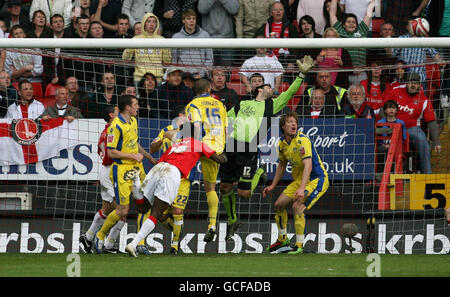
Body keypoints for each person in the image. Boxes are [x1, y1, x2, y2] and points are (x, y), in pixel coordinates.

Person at [219, 56, 315, 241]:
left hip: (247, 150)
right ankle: (232, 220)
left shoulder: (271, 105)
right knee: (224, 187)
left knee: (244, 194)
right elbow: (227, 119)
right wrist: (224, 138)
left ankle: (259, 172)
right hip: (230, 146)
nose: (273, 89)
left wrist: (302, 74)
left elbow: (290, 94)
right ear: (260, 89)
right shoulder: (243, 103)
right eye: (269, 86)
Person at [125, 121, 228, 257]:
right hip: (172, 172)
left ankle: (136, 182)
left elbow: (161, 160)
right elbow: (220, 159)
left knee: (143, 208)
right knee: (155, 214)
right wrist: (225, 151)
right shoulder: (198, 144)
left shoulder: (176, 145)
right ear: (194, 133)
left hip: (158, 168)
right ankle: (133, 244)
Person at [94, 94, 154, 253]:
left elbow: (134, 144)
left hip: (136, 169)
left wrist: (149, 158)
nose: (138, 107)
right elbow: (112, 153)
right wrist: (132, 156)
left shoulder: (133, 121)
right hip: (121, 171)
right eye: (135, 104)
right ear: (127, 107)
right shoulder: (116, 126)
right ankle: (100, 236)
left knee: (145, 204)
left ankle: (139, 243)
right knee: (122, 211)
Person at [263, 111, 329, 254]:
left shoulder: (302, 140)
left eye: (295, 122)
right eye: (290, 122)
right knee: (278, 205)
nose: (294, 124)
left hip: (316, 180)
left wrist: (302, 188)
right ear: (283, 126)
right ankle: (282, 240)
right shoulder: (281, 144)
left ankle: (299, 245)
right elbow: (281, 165)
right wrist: (272, 185)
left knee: (297, 205)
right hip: (300, 181)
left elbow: (308, 166)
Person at [79, 105, 129, 254]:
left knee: (107, 209)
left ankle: (88, 237)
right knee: (122, 210)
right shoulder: (110, 132)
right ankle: (108, 244)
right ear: (111, 115)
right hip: (111, 173)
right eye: (117, 112)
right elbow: (108, 157)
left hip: (109, 172)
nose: (120, 113)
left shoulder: (109, 130)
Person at [185, 78, 228, 242]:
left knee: (181, 177)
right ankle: (212, 225)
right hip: (216, 147)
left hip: (199, 145)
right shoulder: (220, 104)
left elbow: (195, 126)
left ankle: (171, 218)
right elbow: (225, 128)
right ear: (209, 89)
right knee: (210, 187)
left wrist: (197, 147)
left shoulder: (192, 105)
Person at [149, 105, 189, 254]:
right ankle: (177, 231)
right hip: (165, 176)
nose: (190, 116)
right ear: (180, 115)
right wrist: (162, 140)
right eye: (187, 114)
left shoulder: (190, 131)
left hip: (183, 178)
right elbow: (152, 149)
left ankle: (175, 246)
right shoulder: (165, 130)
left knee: (178, 210)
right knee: (161, 215)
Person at [385, 72, 441, 174]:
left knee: (422, 140)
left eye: (415, 83)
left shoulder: (424, 100)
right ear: (406, 83)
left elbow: (431, 121)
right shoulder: (396, 91)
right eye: (410, 82)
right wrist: (387, 123)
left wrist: (436, 142)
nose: (413, 85)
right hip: (393, 126)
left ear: (420, 85)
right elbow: (383, 109)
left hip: (411, 128)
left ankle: (427, 174)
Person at [329, 0, 376, 85]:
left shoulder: (362, 30)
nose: (351, 24)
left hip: (361, 75)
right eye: (348, 22)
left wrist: (373, 2)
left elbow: (368, 14)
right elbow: (332, 14)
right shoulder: (339, 31)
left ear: (357, 25)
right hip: (344, 74)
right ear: (343, 24)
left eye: (354, 22)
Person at [392, 17, 444, 92]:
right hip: (404, 79)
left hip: (420, 80)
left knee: (420, 102)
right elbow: (392, 54)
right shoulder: (402, 38)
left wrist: (441, 62)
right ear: (407, 27)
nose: (413, 26)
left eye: (414, 24)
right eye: (411, 25)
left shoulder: (425, 40)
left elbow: (434, 54)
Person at [122, 13, 171, 84]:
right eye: (149, 21)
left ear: (157, 24)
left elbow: (167, 62)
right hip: (140, 78)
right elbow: (125, 58)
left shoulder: (162, 40)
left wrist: (166, 48)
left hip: (157, 79)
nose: (151, 24)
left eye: (154, 22)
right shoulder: (135, 39)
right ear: (144, 23)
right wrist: (130, 47)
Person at [171, 8, 213, 79]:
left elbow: (209, 59)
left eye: (194, 19)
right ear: (183, 20)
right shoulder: (176, 37)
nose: (191, 21)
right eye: (188, 18)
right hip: (183, 76)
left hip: (201, 76)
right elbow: (174, 60)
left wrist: (201, 74)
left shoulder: (205, 35)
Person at [198, 0, 239, 66]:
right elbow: (202, 9)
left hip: (227, 39)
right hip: (209, 39)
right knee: (210, 71)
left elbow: (234, 10)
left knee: (226, 72)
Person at [375, 99, 407, 173]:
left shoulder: (401, 123)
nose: (391, 110)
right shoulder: (380, 122)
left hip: (397, 146)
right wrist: (384, 145)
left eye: (393, 108)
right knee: (380, 150)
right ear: (385, 111)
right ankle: (381, 173)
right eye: (389, 108)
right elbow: (378, 138)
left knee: (397, 153)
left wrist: (392, 146)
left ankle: (394, 173)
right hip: (383, 146)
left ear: (396, 110)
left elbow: (403, 138)